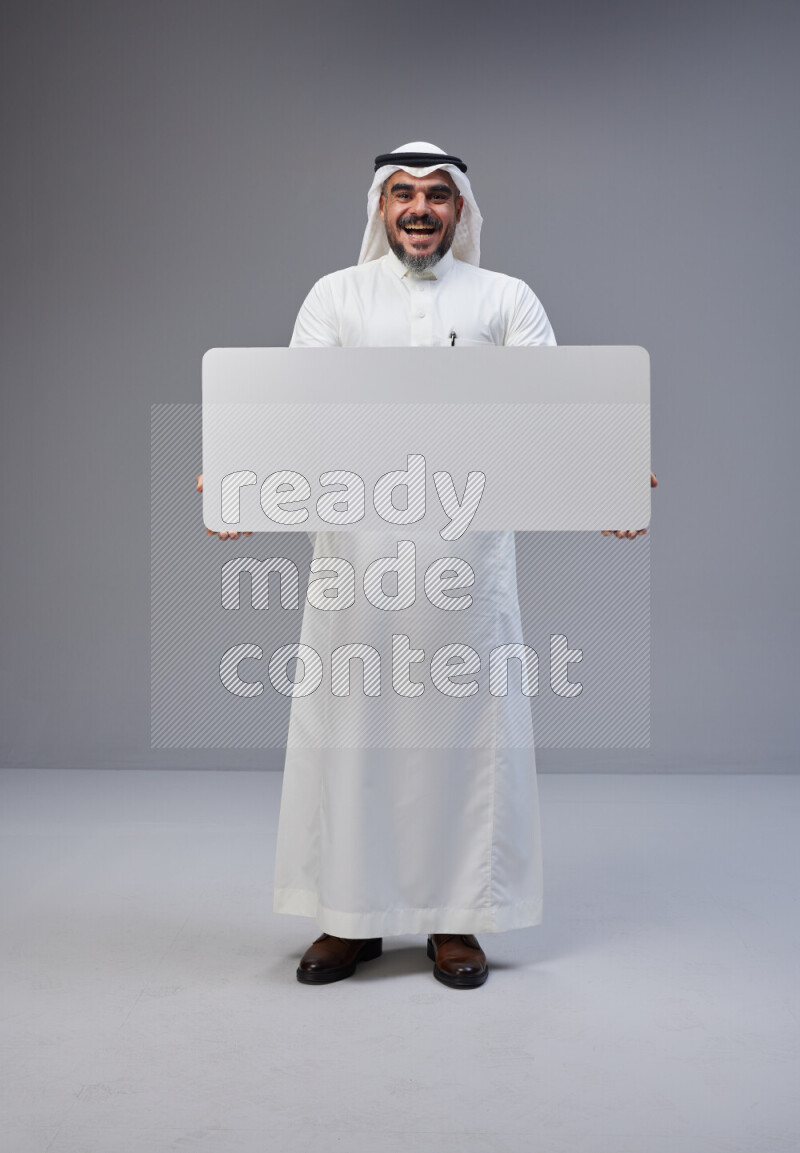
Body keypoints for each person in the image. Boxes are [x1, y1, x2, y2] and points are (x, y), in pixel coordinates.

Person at [198, 141, 656, 988]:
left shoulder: (505, 300)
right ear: (379, 208)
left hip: (464, 573)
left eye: (437, 195)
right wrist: (237, 476)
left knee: (461, 741)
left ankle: (457, 924)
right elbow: (292, 411)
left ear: (461, 211)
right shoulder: (334, 298)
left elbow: (557, 410)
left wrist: (613, 478)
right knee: (354, 739)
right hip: (355, 569)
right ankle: (348, 920)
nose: (419, 208)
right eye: (402, 193)